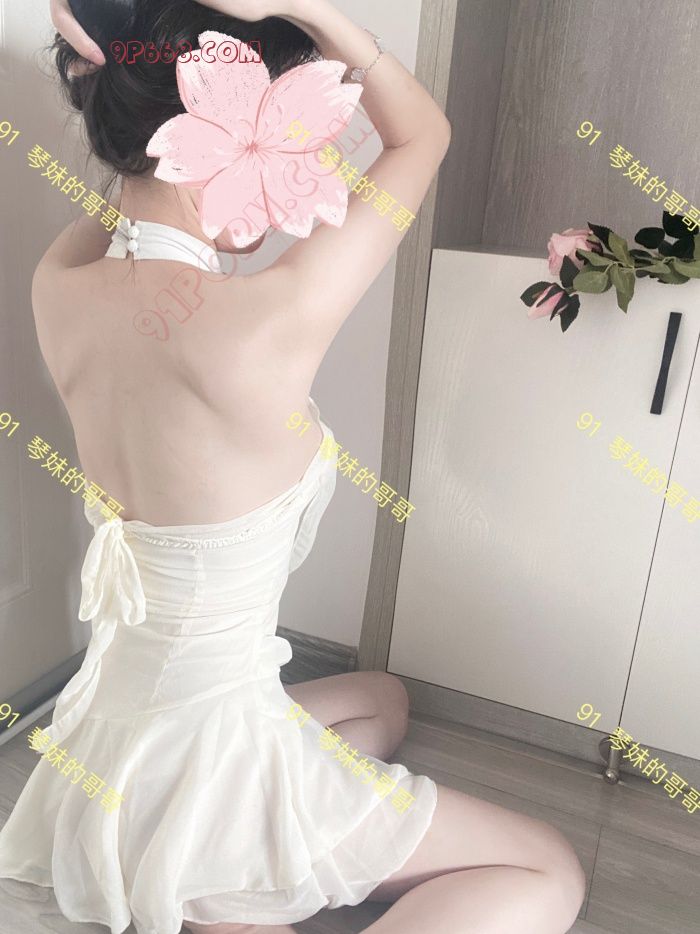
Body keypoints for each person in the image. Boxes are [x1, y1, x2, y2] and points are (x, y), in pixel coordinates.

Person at [0, 1, 586, 932]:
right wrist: (303, 7)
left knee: (381, 701)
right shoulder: (267, 317)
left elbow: (129, 199)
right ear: (223, 141)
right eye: (283, 142)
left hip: (113, 735)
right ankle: (222, 878)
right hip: (209, 751)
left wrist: (139, 82)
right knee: (548, 867)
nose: (294, 183)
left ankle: (205, 872)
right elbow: (423, 135)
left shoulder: (57, 281)